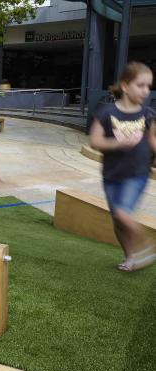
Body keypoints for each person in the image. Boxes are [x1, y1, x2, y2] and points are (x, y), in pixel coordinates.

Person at [89, 61, 156, 271]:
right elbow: (95, 141)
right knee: (117, 220)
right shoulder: (107, 112)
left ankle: (148, 247)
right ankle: (130, 257)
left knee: (122, 214)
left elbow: (153, 141)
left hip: (137, 174)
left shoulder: (148, 114)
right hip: (111, 175)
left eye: (149, 86)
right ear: (125, 86)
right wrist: (118, 143)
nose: (146, 91)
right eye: (141, 85)